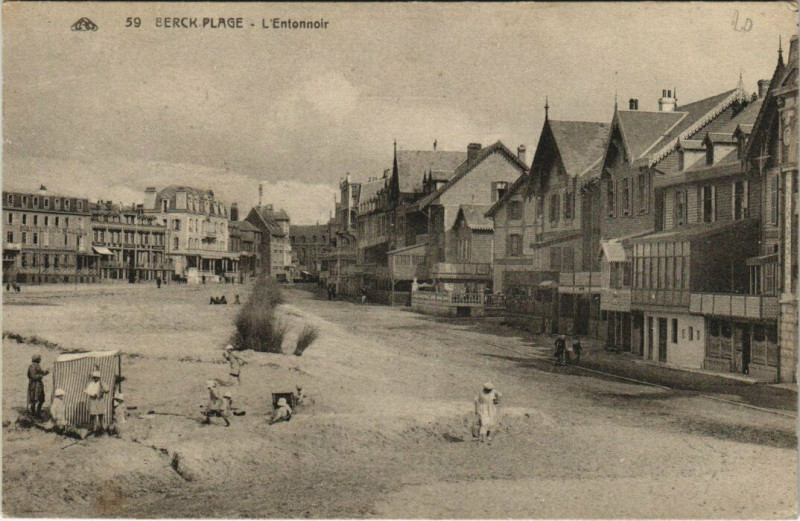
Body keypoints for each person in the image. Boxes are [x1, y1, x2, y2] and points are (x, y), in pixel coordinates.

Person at [84, 370, 109, 434]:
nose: (95, 378)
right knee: (93, 414)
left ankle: (101, 426)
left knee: (101, 413)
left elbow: (107, 390)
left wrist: (104, 391)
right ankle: (93, 427)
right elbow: (87, 391)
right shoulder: (91, 384)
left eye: (96, 377)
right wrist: (93, 394)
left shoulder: (102, 383)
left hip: (100, 400)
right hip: (93, 400)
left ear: (99, 377)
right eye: (94, 377)